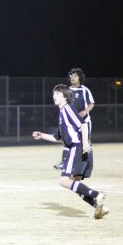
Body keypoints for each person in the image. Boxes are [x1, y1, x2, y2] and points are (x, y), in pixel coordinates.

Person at [33, 84, 108, 219]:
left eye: (57, 94)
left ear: (65, 97)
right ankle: (98, 206)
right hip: (79, 147)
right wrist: (42, 135)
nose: (54, 96)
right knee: (75, 183)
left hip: (77, 147)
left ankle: (97, 195)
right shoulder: (62, 113)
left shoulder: (67, 109)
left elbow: (83, 124)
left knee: (64, 181)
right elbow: (58, 138)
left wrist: (85, 143)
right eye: (53, 94)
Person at [54, 68, 95, 171]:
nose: (72, 77)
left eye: (75, 76)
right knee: (67, 140)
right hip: (71, 122)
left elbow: (92, 103)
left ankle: (88, 163)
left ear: (80, 78)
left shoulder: (85, 90)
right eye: (71, 76)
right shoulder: (67, 90)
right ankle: (64, 162)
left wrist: (85, 111)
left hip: (84, 121)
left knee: (87, 141)